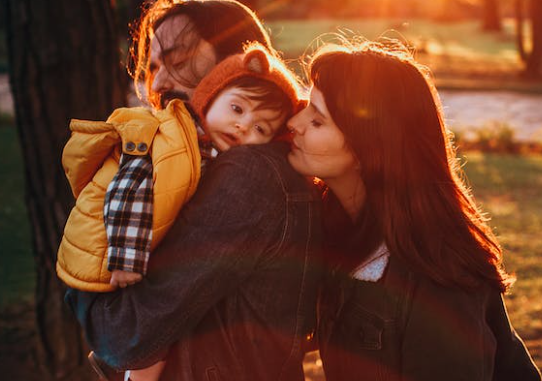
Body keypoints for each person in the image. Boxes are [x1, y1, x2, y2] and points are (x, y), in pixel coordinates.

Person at [64, 1, 322, 381]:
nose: (161, 81)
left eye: (178, 58)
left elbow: (128, 334)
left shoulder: (248, 176)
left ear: (233, 64)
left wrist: (84, 290)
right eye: (153, 66)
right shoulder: (197, 165)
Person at [286, 39, 542, 380]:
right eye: (306, 104)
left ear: (369, 149)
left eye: (317, 121)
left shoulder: (435, 276)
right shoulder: (330, 224)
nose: (294, 122)